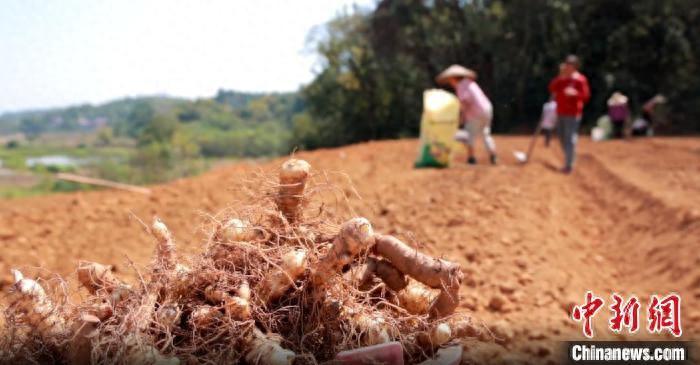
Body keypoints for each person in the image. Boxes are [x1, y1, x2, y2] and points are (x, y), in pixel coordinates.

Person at [436, 64, 497, 165]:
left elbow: (465, 101)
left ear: (453, 78)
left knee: (470, 134)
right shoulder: (469, 83)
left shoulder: (461, 86)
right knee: (485, 133)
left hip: (475, 113)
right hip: (487, 109)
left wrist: (461, 116)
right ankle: (493, 155)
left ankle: (471, 158)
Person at [548, 55, 590, 173]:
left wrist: (575, 94)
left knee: (570, 138)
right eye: (567, 64)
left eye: (570, 65)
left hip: (573, 113)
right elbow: (552, 88)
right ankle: (569, 158)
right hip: (560, 112)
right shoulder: (562, 79)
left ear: (575, 66)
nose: (568, 67)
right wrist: (560, 77)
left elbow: (586, 96)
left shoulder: (580, 80)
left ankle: (569, 164)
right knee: (562, 137)